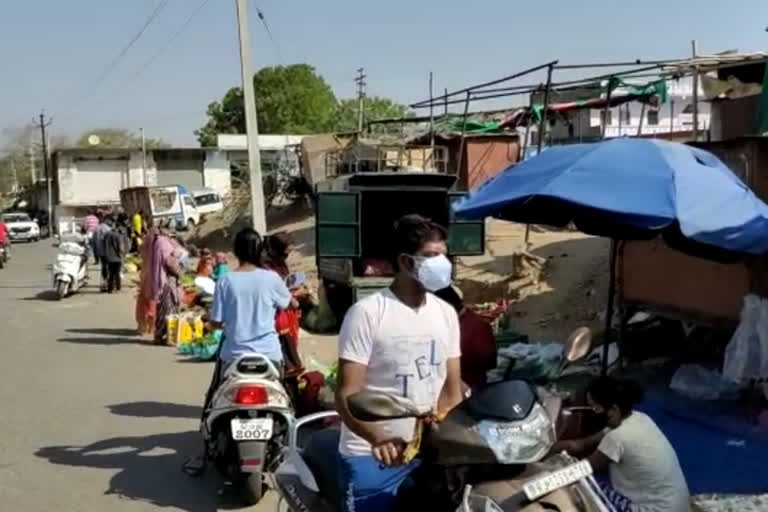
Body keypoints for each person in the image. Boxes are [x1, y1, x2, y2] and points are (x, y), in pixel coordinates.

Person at [335, 214, 464, 512]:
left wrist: (449, 441)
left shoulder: (446, 313)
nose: (442, 263)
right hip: (372, 453)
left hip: (429, 454)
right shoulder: (367, 313)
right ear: (406, 262)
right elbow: (347, 395)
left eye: (444, 255)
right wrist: (377, 438)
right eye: (431, 256)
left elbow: (452, 391)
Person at [554, 377, 690, 512]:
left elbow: (580, 470)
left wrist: (549, 474)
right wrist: (547, 446)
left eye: (595, 408)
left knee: (581, 488)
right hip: (680, 505)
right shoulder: (640, 418)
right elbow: (579, 445)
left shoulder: (617, 438)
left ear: (613, 409)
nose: (592, 411)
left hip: (656, 509)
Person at [208, 228, 292, 369]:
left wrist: (225, 324)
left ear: (235, 251)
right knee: (283, 389)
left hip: (234, 357)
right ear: (260, 250)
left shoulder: (224, 281)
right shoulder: (272, 278)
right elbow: (286, 303)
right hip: (269, 355)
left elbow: (216, 322)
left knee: (217, 390)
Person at [433, 286, 497, 392]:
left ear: (450, 306)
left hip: (469, 389)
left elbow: (490, 361)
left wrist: (453, 361)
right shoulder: (444, 323)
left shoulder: (478, 326)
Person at [147, 220, 183, 344]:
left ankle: (161, 335)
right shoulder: (164, 243)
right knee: (167, 309)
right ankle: (164, 335)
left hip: (161, 279)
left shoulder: (157, 241)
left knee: (162, 308)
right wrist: (179, 271)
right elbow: (169, 262)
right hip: (167, 280)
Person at [102, 218, 127, 293]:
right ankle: (118, 288)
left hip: (108, 257)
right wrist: (122, 255)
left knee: (111, 273)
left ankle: (110, 289)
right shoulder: (118, 236)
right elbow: (120, 248)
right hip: (117, 258)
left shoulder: (107, 235)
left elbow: (104, 244)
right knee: (117, 273)